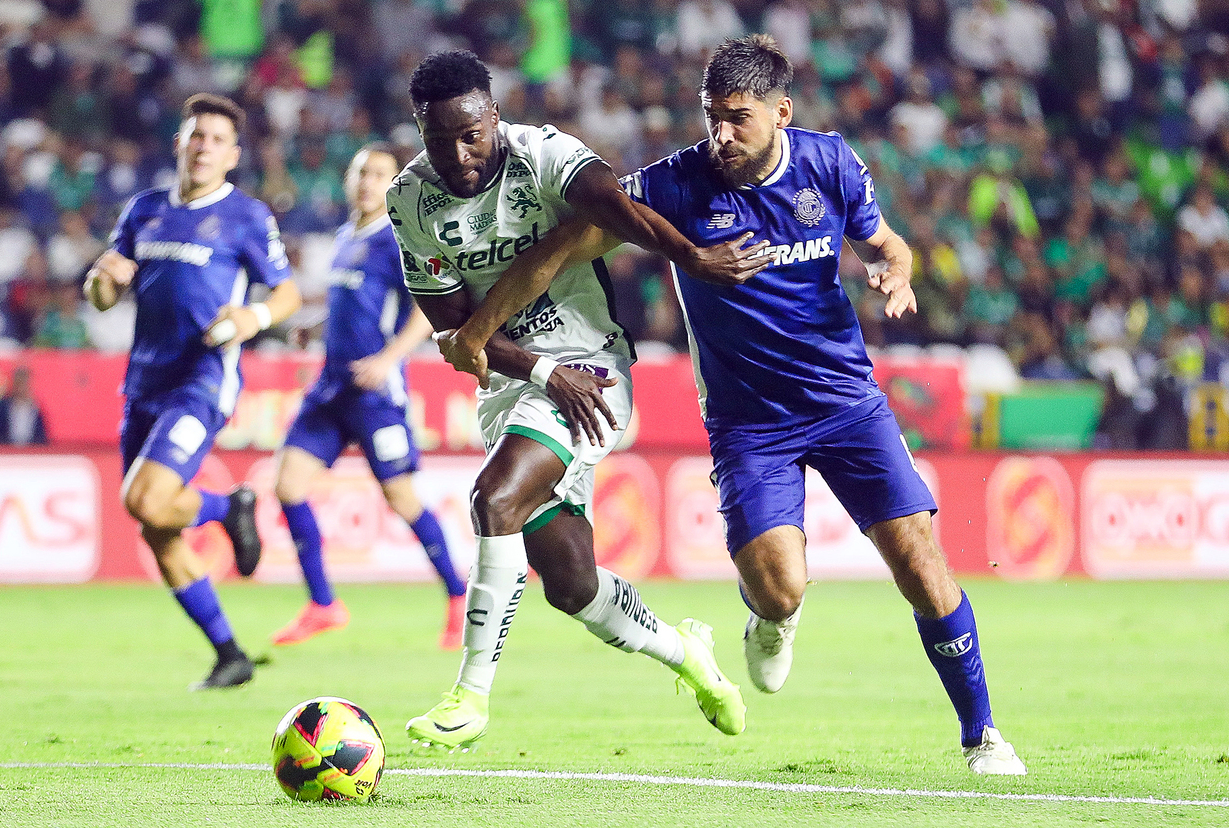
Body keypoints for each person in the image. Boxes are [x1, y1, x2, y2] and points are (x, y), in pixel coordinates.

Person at [437, 36, 1027, 775]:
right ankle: (770, 619)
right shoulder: (672, 184)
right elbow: (563, 244)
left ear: (782, 113)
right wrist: (481, 328)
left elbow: (887, 243)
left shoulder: (830, 164)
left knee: (919, 561)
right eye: (711, 116)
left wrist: (895, 270)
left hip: (847, 401)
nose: (720, 134)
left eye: (738, 118)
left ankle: (983, 736)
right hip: (750, 426)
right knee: (779, 591)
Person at [388, 50, 767, 751]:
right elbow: (459, 334)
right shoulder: (410, 201)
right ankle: (688, 655)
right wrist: (537, 372)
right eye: (439, 141)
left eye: (470, 135)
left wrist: (690, 256)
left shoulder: (543, 155)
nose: (458, 156)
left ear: (493, 116)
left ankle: (469, 696)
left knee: (495, 499)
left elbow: (615, 207)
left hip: (592, 371)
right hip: (518, 384)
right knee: (572, 586)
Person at [83, 93, 302, 691]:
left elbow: (286, 293)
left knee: (145, 500)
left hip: (201, 381)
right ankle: (230, 655)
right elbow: (104, 292)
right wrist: (102, 282)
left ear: (233, 156)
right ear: (180, 143)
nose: (204, 147)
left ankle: (228, 508)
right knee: (157, 528)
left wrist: (251, 318)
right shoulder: (144, 209)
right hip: (143, 382)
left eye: (217, 139)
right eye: (197, 135)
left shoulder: (246, 216)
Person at [270, 144, 467, 649]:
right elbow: (355, 306)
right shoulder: (345, 236)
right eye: (361, 172)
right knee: (288, 485)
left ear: (394, 184)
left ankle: (458, 594)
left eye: (379, 174)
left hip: (375, 395)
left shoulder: (399, 238)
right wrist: (315, 326)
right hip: (332, 388)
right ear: (348, 180)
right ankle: (322, 605)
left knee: (402, 499)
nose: (367, 182)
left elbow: (427, 308)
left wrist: (388, 359)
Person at [0, 365, 48, 445]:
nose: (21, 388)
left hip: (29, 451)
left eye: (25, 383)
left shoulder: (35, 410)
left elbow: (42, 438)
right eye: (19, 383)